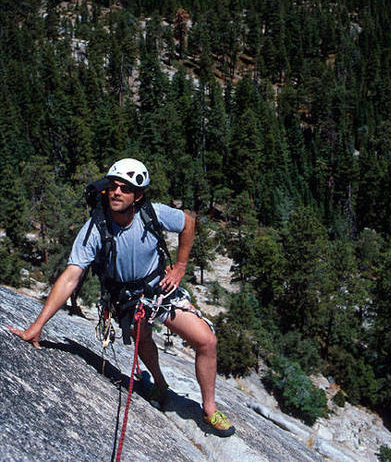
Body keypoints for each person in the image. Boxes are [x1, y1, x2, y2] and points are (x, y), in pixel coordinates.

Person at [8, 158, 235, 437]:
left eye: (124, 189)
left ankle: (209, 409)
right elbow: (70, 276)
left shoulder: (151, 213)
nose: (116, 192)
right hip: (127, 299)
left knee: (207, 340)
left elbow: (188, 222)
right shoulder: (95, 228)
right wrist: (38, 325)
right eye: (113, 187)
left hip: (159, 287)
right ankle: (160, 383)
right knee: (143, 341)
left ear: (137, 195)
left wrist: (180, 267)